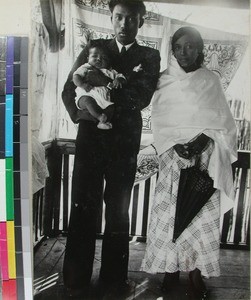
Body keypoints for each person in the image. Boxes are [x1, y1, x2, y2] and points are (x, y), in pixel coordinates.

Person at [61, 0, 160, 297]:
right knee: (82, 205)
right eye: (119, 17)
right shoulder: (96, 47)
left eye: (131, 19)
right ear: (111, 17)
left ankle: (114, 279)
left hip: (124, 145)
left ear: (140, 21)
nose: (124, 24)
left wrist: (102, 93)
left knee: (118, 210)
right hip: (90, 141)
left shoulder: (149, 55)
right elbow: (70, 88)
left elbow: (140, 97)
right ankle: (75, 277)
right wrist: (85, 108)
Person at [140, 27, 237, 300]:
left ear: (200, 49)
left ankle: (195, 273)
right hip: (173, 157)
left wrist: (205, 139)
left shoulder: (211, 80)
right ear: (173, 49)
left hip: (205, 158)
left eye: (190, 46)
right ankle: (171, 270)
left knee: (200, 216)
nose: (185, 52)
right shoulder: (163, 81)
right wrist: (174, 143)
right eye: (179, 47)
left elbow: (222, 121)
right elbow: (160, 120)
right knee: (172, 215)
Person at [73, 45, 127, 130]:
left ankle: (102, 122)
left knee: (112, 107)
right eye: (94, 56)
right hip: (86, 95)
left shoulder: (111, 71)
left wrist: (119, 80)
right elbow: (76, 76)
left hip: (103, 100)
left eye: (104, 58)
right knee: (88, 102)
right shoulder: (86, 67)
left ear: (109, 61)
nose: (99, 59)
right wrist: (82, 85)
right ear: (88, 58)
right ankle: (99, 117)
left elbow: (122, 77)